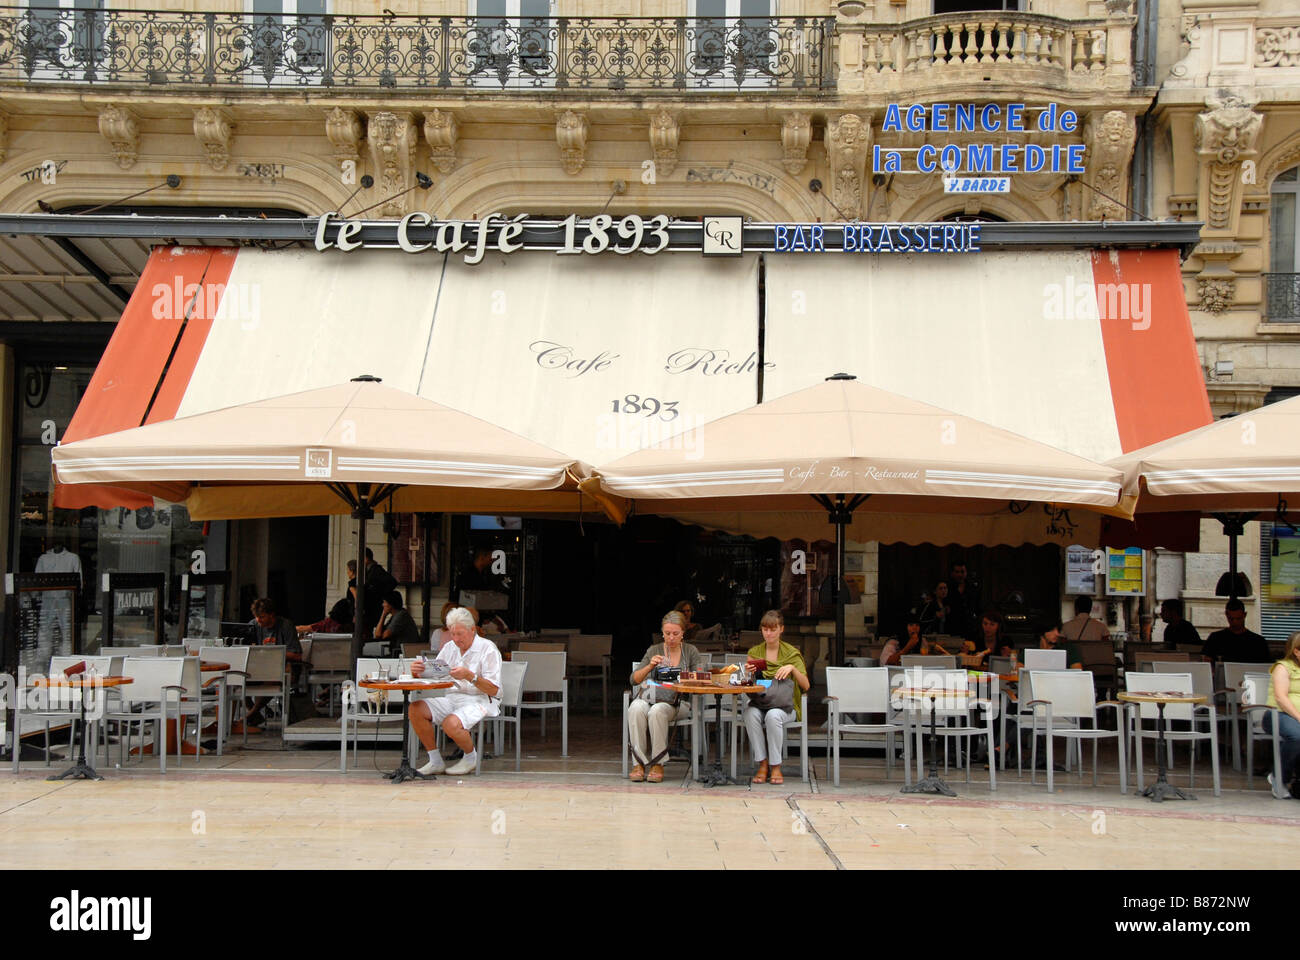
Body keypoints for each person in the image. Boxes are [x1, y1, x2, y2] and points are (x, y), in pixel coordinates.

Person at [408, 606, 502, 776]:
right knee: (416, 708)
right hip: (451, 697)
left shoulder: (488, 648)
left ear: (472, 630)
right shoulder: (450, 647)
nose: (456, 639)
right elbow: (435, 674)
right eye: (453, 634)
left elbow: (494, 690)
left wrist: (470, 676)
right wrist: (418, 671)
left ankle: (471, 757)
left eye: (460, 634)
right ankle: (435, 760)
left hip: (480, 699)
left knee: (450, 724)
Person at [627, 611, 707, 783]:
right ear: (662, 632)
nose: (671, 638)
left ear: (683, 633)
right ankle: (639, 763)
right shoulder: (654, 649)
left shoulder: (690, 651)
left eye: (675, 634)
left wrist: (680, 676)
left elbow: (701, 677)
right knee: (635, 707)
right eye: (667, 633)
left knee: (657, 711)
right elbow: (634, 679)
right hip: (651, 697)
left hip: (679, 702)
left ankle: (657, 763)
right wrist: (650, 666)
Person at [744, 610, 810, 784]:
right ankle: (762, 763)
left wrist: (793, 669)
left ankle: (776, 766)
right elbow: (750, 687)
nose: (769, 633)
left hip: (786, 706)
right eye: (765, 629)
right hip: (761, 702)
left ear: (781, 629)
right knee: (749, 713)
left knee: (773, 715)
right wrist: (749, 675)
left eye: (773, 629)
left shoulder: (791, 653)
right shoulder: (755, 652)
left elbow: (806, 686)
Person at [237, 598, 302, 733]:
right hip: (259, 668)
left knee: (274, 678)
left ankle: (251, 715)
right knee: (237, 679)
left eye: (262, 617)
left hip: (284, 668)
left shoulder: (285, 626)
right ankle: (254, 715)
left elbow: (297, 655)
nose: (259, 621)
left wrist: (272, 654)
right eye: (256, 617)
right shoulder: (253, 626)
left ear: (272, 615)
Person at [1262, 631, 1300, 798]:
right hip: (1279, 714)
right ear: (1297, 651)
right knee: (1297, 736)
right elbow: (1281, 698)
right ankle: (1279, 777)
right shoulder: (1283, 667)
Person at [1202, 598, 1271, 665]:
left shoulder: (1258, 642)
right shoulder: (1215, 638)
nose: (1235, 622)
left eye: (1238, 618)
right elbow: (1207, 664)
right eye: (1231, 619)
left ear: (1244, 615)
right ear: (1226, 615)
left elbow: (1266, 667)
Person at [374, 590, 420, 656]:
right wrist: (383, 615)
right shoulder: (395, 615)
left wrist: (383, 614)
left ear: (391, 604)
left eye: (384, 602)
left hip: (404, 653)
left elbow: (385, 635)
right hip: (398, 652)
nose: (383, 605)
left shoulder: (401, 615)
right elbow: (378, 634)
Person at [947, 561, 977, 642]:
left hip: (969, 626)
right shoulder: (947, 587)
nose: (960, 575)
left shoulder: (972, 587)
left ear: (966, 573)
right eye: (957, 572)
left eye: (962, 572)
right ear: (952, 573)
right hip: (952, 625)